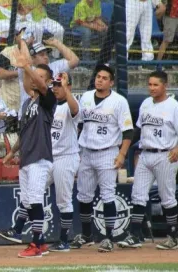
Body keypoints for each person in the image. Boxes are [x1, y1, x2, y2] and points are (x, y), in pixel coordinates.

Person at [0, 40, 56, 258]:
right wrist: (12, 152)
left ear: (47, 81)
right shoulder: (27, 103)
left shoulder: (48, 99)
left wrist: (26, 66)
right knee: (29, 201)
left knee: (36, 200)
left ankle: (37, 244)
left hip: (41, 157)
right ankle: (37, 242)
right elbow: (24, 133)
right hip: (27, 158)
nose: (32, 78)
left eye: (38, 76)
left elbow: (40, 85)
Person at [70, 64, 133, 253]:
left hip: (108, 151)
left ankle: (108, 237)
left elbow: (129, 131)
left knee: (107, 195)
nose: (100, 80)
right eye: (98, 76)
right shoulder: (87, 97)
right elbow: (79, 123)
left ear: (111, 82)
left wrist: (122, 154)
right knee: (84, 195)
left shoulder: (119, 101)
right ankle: (87, 235)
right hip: (87, 151)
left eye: (105, 78)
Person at [117, 71, 178, 250]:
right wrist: (124, 150)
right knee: (138, 194)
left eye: (155, 85)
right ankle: (135, 235)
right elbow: (137, 130)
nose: (151, 88)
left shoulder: (173, 105)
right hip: (145, 153)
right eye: (149, 84)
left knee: (167, 196)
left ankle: (173, 235)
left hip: (165, 154)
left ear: (165, 85)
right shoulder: (145, 104)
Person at [46, 73, 80, 252]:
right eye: (54, 84)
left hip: (66, 157)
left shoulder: (70, 105)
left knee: (63, 200)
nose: (56, 88)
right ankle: (19, 228)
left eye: (59, 85)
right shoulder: (49, 104)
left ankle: (64, 240)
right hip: (47, 157)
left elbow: (75, 109)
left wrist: (66, 89)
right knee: (32, 190)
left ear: (68, 86)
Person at [18, 40, 79, 118]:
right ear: (32, 58)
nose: (46, 57)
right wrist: (23, 42)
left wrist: (57, 43)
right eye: (42, 55)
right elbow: (25, 60)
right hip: (27, 115)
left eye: (46, 54)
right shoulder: (25, 69)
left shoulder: (54, 66)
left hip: (47, 115)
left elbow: (75, 60)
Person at [126, 0, 164, 64]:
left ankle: (147, 60)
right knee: (128, 34)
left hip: (147, 3)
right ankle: (122, 60)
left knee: (147, 35)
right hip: (133, 3)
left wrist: (158, 3)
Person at [70, 0, 107, 65]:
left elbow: (97, 18)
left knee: (104, 31)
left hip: (91, 23)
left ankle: (103, 57)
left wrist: (104, 26)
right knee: (87, 32)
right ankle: (86, 61)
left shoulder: (97, 2)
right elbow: (81, 22)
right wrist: (96, 27)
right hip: (78, 25)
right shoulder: (81, 5)